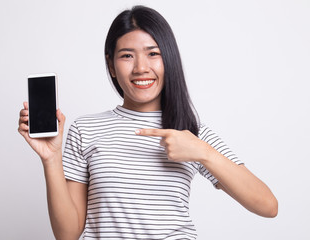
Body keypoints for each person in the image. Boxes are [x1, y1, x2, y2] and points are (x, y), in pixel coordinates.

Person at [18, 5, 278, 240]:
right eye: (127, 56)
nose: (141, 67)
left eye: (153, 53)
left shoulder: (191, 133)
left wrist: (203, 152)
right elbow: (67, 235)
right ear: (111, 65)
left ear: (169, 60)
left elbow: (267, 205)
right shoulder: (85, 130)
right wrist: (51, 158)